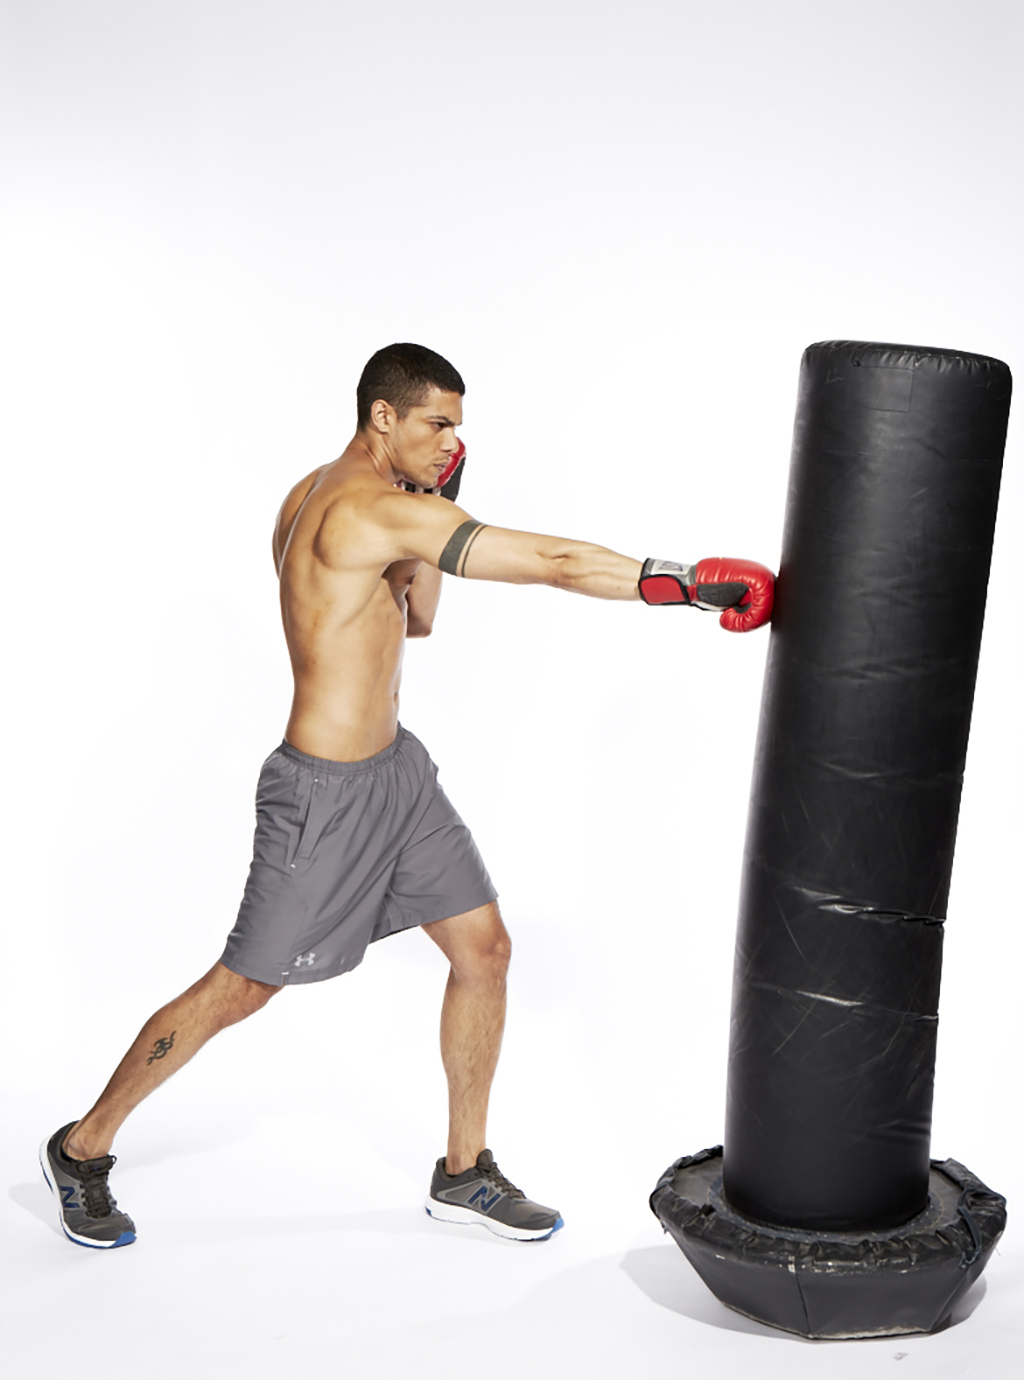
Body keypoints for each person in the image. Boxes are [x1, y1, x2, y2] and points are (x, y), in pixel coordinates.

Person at [41, 343, 774, 1250]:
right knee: (243, 987)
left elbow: (415, 619)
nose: (451, 440)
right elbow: (551, 561)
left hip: (400, 775)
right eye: (437, 423)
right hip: (324, 797)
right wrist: (684, 584)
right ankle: (81, 1148)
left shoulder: (329, 493)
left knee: (485, 949)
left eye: (458, 426)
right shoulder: (355, 510)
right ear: (382, 416)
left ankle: (464, 1172)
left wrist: (428, 504)